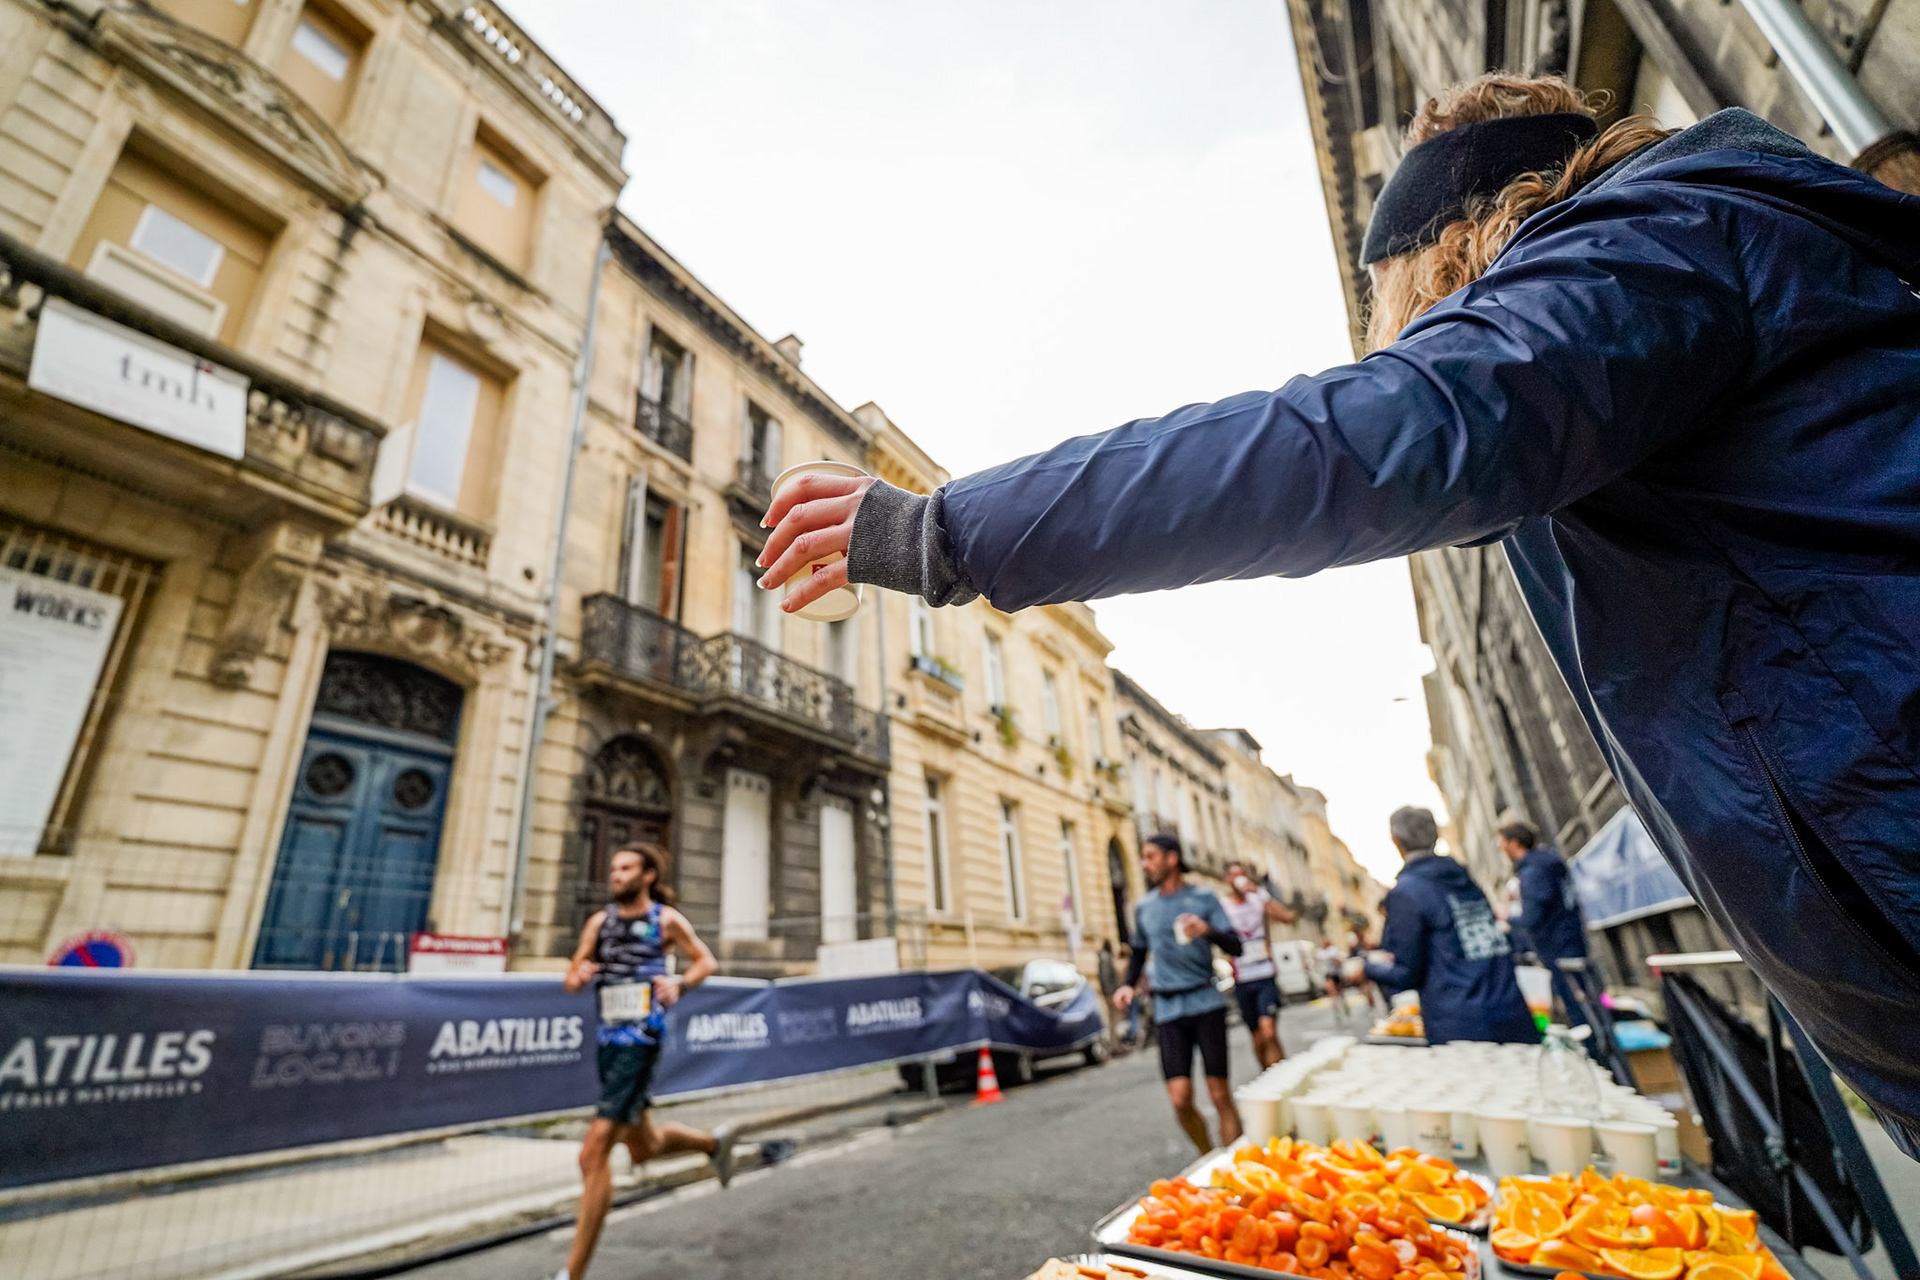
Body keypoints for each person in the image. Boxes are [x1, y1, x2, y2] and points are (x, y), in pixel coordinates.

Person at [757, 72, 1920, 1151]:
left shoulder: (1638, 251)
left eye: (1399, 305)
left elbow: (1373, 436)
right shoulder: (1678, 261)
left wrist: (942, 530)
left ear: (1461, 245)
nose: (1399, 333)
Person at [556, 845, 731, 1280]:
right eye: (613, 868)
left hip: (642, 1039)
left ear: (648, 875)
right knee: (642, 1145)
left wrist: (680, 984)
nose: (616, 875)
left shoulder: (664, 920)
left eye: (626, 868)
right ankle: (714, 1145)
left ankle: (571, 1275)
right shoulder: (600, 922)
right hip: (608, 1040)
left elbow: (705, 960)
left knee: (593, 1151)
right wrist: (577, 976)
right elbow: (573, 974)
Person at [1111, 833, 1245, 1152]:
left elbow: (1236, 946)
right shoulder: (1144, 907)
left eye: (1150, 856)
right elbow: (1139, 951)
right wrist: (1128, 985)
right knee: (1180, 1100)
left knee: (1219, 1094)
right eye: (1142, 858)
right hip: (1168, 1009)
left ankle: (1238, 1170)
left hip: (1205, 1002)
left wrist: (1207, 930)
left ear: (1172, 858)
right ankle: (1208, 1158)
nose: (1144, 864)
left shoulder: (1204, 898)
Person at [1364, 808, 1538, 1046]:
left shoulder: (1407, 892)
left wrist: (1366, 969)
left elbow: (1407, 972)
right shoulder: (1464, 878)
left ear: (1396, 842)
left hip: (1461, 1025)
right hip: (1511, 1009)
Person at [1500, 819, 1591, 1028]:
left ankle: (1598, 1054)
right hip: (1566, 942)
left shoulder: (1534, 871)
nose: (1500, 848)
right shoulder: (1543, 864)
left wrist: (1507, 917)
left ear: (1514, 843)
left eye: (1502, 842)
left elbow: (1532, 917)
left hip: (1560, 948)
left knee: (1578, 1008)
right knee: (1580, 1002)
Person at [1220, 860, 1295, 1068]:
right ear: (1227, 880)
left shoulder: (1257, 900)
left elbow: (1287, 918)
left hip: (1265, 974)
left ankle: (1282, 1076)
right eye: (1234, 875)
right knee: (1258, 1038)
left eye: (1242, 874)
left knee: (1269, 1030)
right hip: (1242, 978)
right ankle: (1268, 1076)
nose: (1239, 879)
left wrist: (1261, 894)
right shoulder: (1223, 906)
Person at [1315, 936, 1349, 1023]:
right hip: (1328, 974)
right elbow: (1318, 964)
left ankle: (1345, 1006)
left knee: (1340, 993)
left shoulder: (1333, 950)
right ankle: (1336, 1011)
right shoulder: (1319, 952)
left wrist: (1335, 960)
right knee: (1332, 993)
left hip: (1336, 973)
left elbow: (1340, 960)